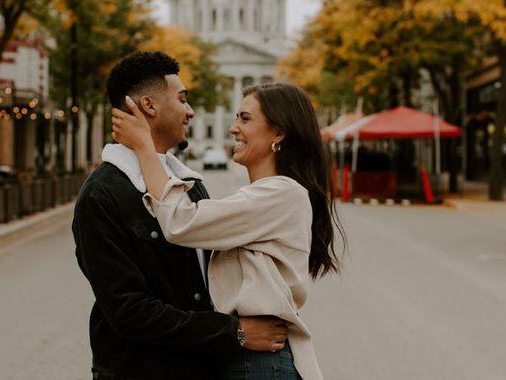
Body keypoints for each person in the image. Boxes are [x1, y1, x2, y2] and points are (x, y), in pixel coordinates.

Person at [72, 51, 288, 380]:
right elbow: (129, 312)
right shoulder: (102, 195)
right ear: (149, 106)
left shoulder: (189, 186)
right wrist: (235, 334)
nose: (191, 111)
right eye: (182, 99)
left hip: (202, 369)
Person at [112, 82, 344, 380]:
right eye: (236, 118)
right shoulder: (266, 195)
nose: (233, 128)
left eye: (245, 119)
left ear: (278, 132)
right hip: (248, 356)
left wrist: (144, 147)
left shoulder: (281, 194)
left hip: (258, 362)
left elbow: (181, 222)